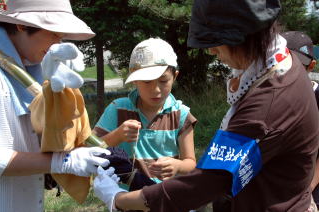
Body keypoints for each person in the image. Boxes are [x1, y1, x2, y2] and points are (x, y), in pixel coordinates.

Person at [93, 0, 319, 212]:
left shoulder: (267, 104)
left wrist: (119, 200)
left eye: (215, 41)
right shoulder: (279, 64)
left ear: (240, 35)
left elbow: (205, 183)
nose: (210, 51)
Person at [0, 0, 111, 211]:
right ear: (22, 25)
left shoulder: (31, 70)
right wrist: (61, 162)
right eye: (53, 33)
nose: (58, 42)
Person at [93, 38, 197, 188]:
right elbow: (90, 152)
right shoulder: (117, 109)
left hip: (164, 198)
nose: (156, 90)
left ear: (174, 77)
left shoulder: (181, 115)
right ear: (135, 80)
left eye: (163, 81)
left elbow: (190, 162)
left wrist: (178, 165)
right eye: (147, 81)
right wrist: (117, 135)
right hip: (125, 200)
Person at [282, 31, 319, 210]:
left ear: (311, 66)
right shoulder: (273, 96)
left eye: (296, 65)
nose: (288, 71)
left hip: (309, 186)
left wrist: (309, 188)